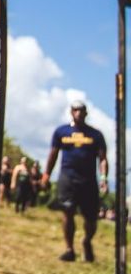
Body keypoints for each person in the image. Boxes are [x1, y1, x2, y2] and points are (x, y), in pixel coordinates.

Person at [40, 100, 108, 263]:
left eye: (81, 110)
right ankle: (69, 249)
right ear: (71, 112)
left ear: (86, 113)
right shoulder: (61, 132)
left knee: (91, 218)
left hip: (88, 180)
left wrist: (104, 178)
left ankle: (87, 241)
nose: (78, 113)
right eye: (75, 110)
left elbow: (103, 159)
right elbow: (53, 154)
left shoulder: (95, 135)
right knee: (67, 212)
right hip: (68, 178)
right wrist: (46, 174)